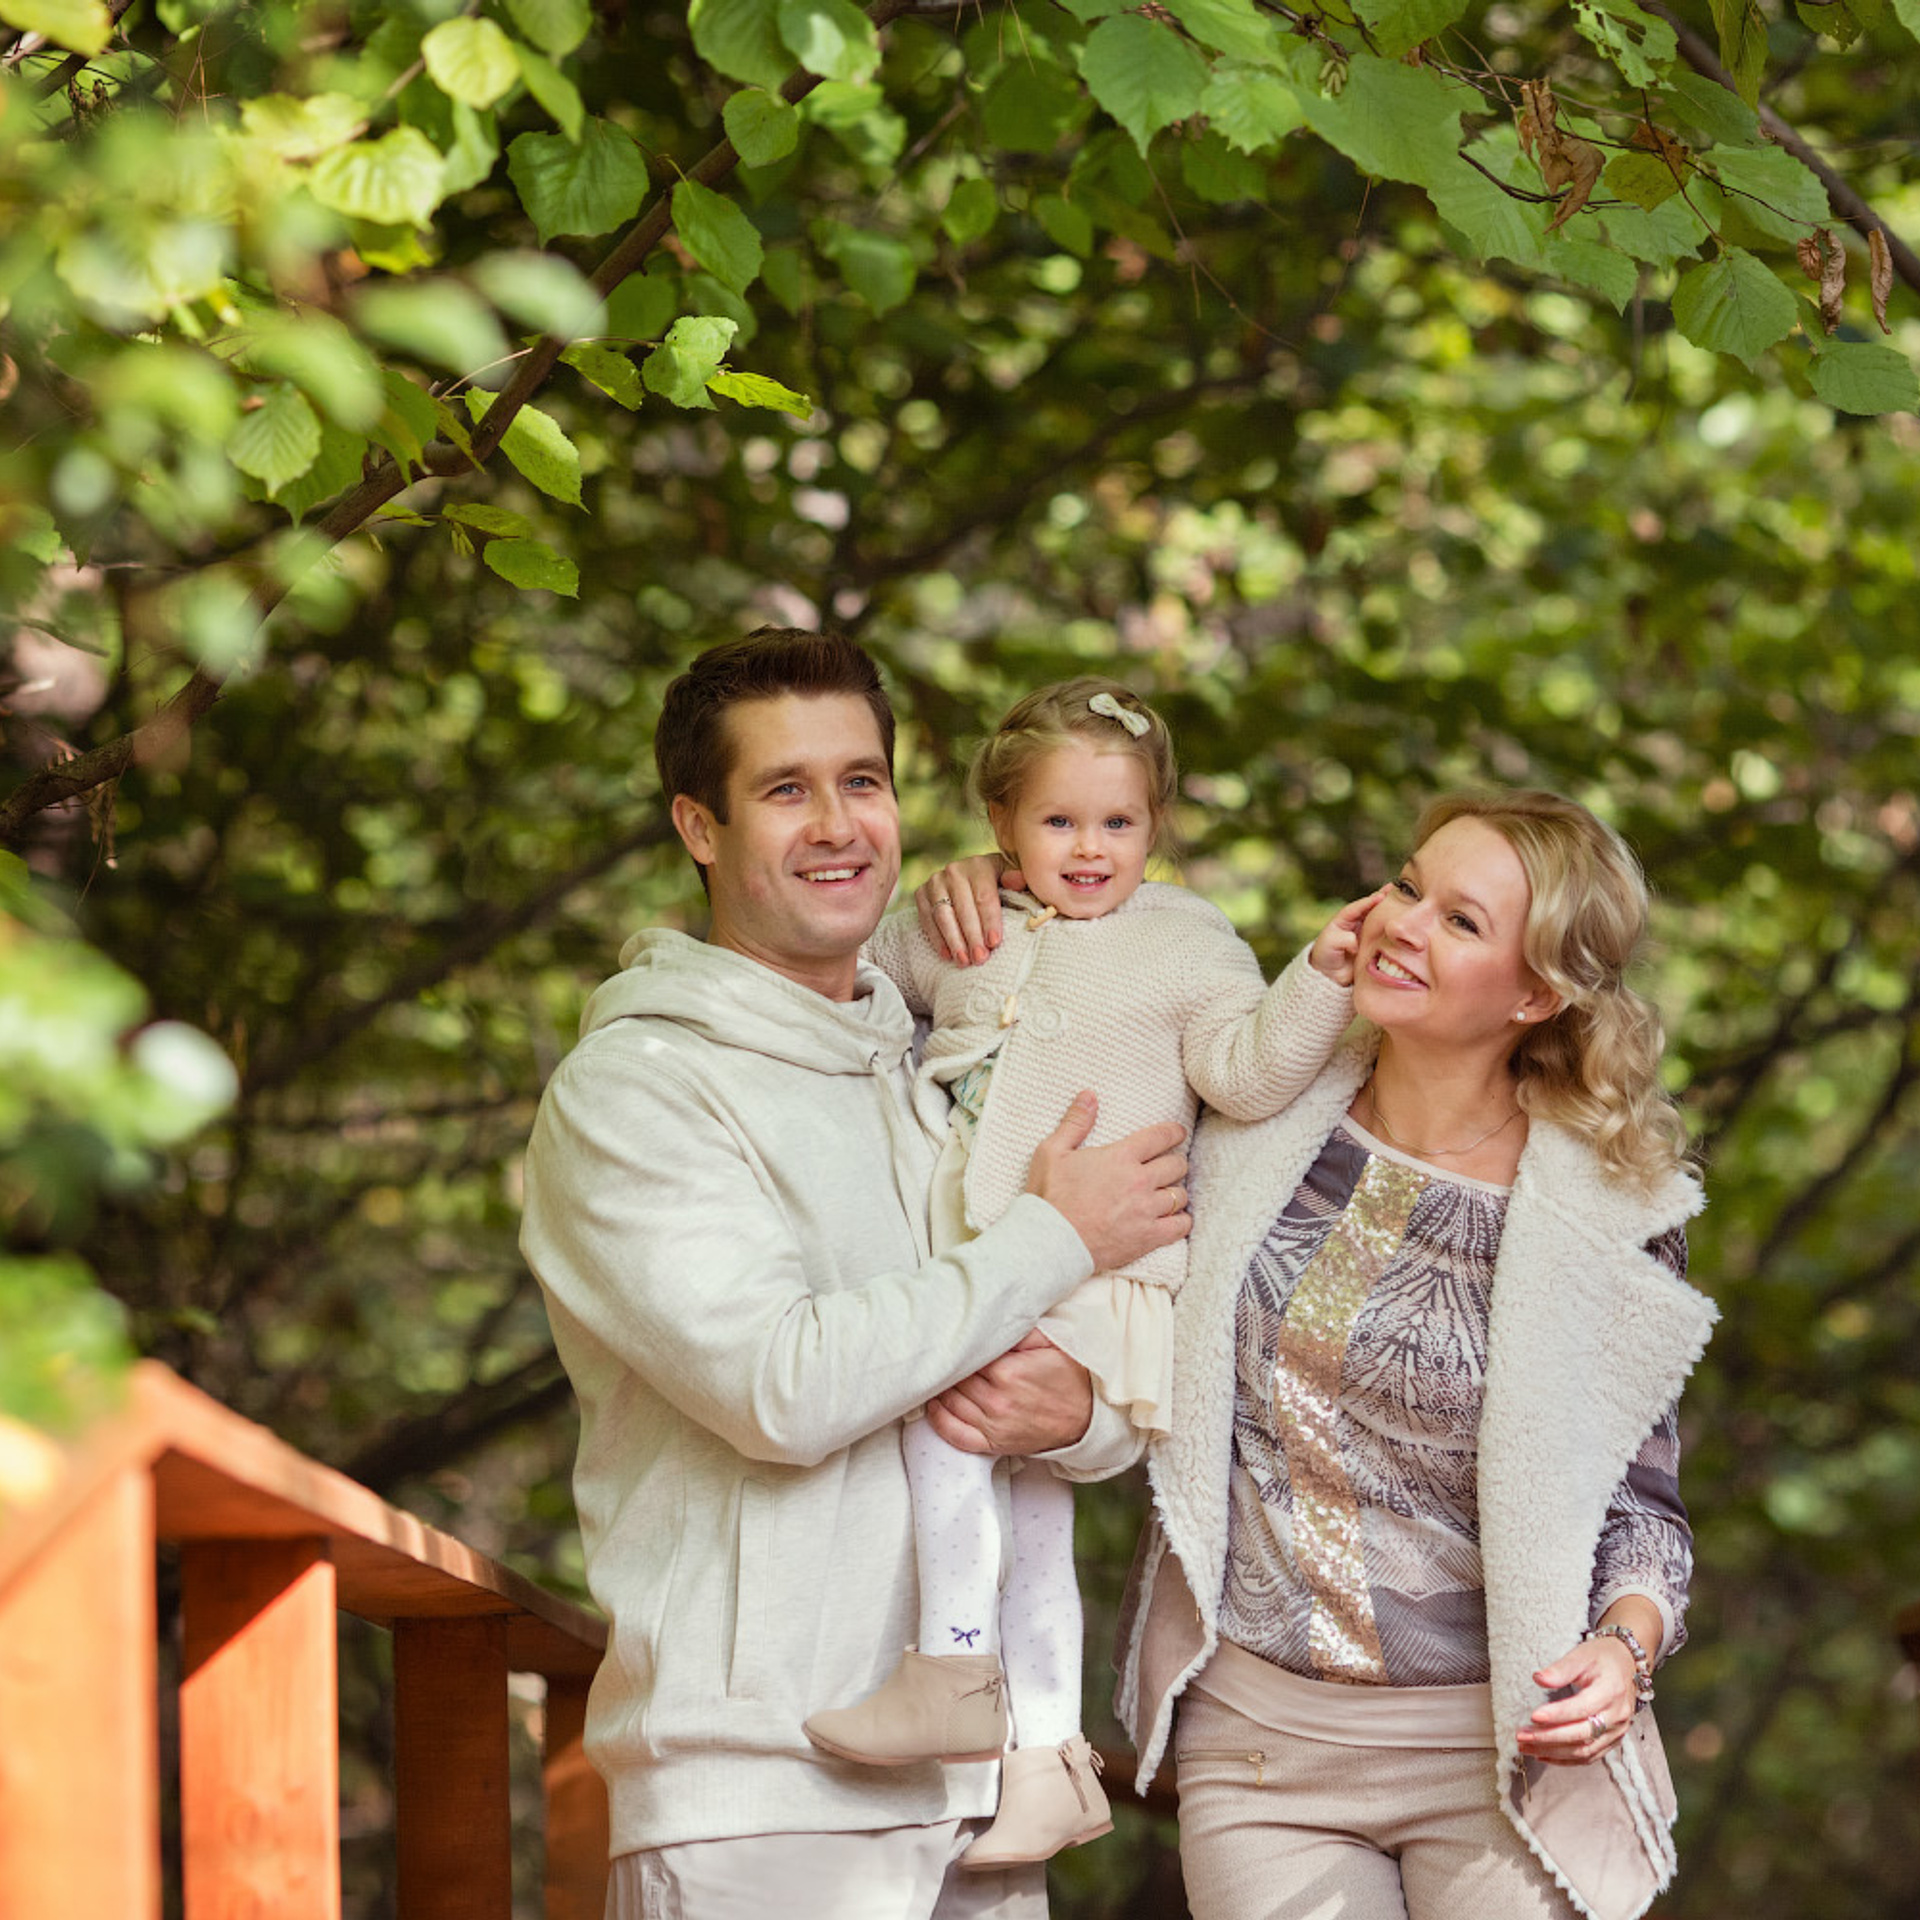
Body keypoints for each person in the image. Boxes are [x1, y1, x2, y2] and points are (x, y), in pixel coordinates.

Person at [519, 629, 1194, 1920]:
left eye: (863, 781)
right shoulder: (638, 1090)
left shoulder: (935, 1056)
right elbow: (783, 1384)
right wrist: (1057, 1236)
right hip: (761, 1801)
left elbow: (1035, 1347)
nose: (839, 825)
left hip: (976, 1804)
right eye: (785, 790)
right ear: (697, 826)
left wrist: (1084, 1415)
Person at [1105, 788, 1720, 1920]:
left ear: (1538, 993)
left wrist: (1623, 1656)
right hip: (1259, 1753)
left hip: (1501, 1754)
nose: (1403, 923)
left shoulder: (1609, 1212)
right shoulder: (1250, 1118)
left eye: (1462, 920)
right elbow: (1074, 989)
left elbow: (1638, 1504)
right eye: (1407, 885)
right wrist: (988, 892)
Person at [801, 677, 1382, 1872]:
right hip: (994, 1250)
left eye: (1119, 824)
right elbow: (871, 990)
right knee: (1035, 1512)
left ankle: (953, 1672)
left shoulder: (1184, 940)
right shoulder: (971, 920)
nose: (1090, 849)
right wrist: (937, 890)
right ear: (1005, 824)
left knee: (943, 1426)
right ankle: (1051, 1762)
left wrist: (1318, 973)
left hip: (1098, 1266)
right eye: (1059, 822)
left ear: (1155, 827)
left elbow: (1248, 1073)